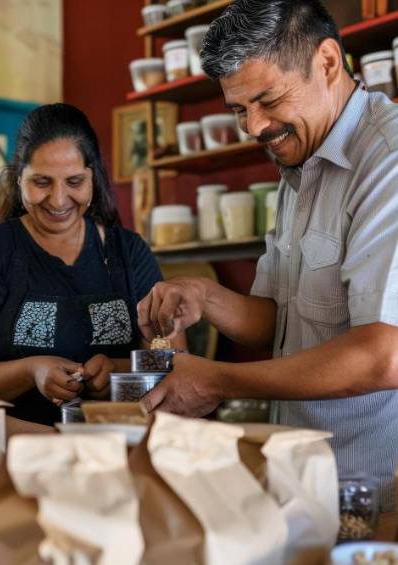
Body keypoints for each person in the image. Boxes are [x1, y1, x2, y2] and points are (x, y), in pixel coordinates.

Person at [137, 0, 398, 508]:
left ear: (327, 62)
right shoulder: (298, 164)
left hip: (378, 488)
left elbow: (383, 355)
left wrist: (218, 380)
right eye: (238, 109)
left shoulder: (387, 163)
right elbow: (275, 323)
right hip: (304, 476)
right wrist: (205, 296)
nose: (254, 127)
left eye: (268, 99)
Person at [0, 103, 184, 426]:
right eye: (42, 182)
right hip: (18, 448)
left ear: (93, 179)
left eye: (74, 182)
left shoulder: (129, 253)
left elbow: (173, 366)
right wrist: (31, 370)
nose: (59, 200)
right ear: (18, 179)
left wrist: (115, 370)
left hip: (117, 448)